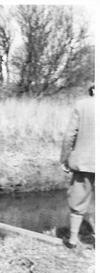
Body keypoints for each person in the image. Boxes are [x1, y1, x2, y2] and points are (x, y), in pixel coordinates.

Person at [60, 85, 95, 249]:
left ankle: (73, 240)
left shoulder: (81, 105)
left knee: (78, 200)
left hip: (84, 162)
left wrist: (64, 158)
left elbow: (69, 135)